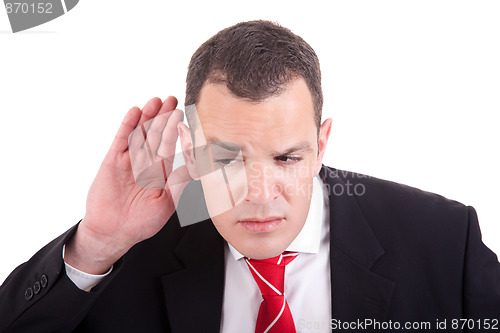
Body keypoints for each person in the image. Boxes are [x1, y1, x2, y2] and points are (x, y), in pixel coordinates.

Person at [0, 20, 499, 333]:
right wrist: (97, 245)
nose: (260, 196)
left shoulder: (444, 241)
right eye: (227, 159)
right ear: (190, 151)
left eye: (287, 158)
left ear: (321, 144)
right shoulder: (131, 251)